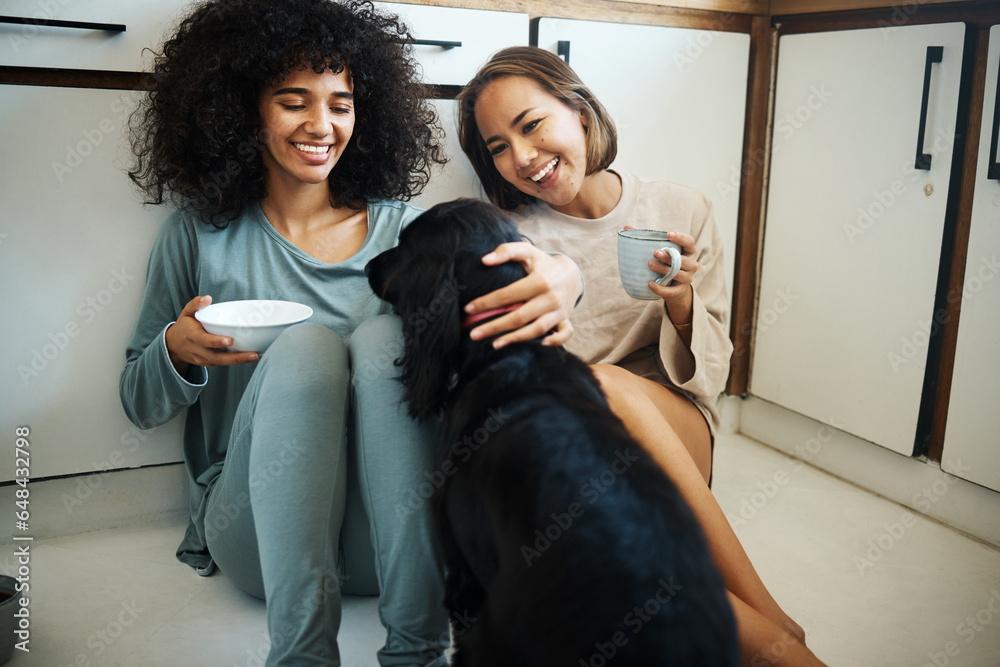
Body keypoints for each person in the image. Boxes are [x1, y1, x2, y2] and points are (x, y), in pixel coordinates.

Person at [119, 5, 581, 666]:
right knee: (308, 348)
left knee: (384, 336)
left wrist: (566, 275)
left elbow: (514, 276)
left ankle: (418, 649)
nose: (321, 125)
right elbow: (137, 401)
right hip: (256, 535)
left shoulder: (407, 233)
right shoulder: (199, 233)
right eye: (292, 102)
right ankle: (302, 654)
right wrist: (174, 350)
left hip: (388, 540)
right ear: (242, 110)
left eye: (341, 103)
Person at [457, 46, 826, 667]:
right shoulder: (503, 236)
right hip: (577, 452)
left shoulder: (681, 210)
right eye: (497, 147)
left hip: (674, 434)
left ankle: (764, 612)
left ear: (578, 110)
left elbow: (710, 374)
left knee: (601, 385)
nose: (522, 158)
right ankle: (779, 642)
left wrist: (682, 305)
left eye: (532, 125)